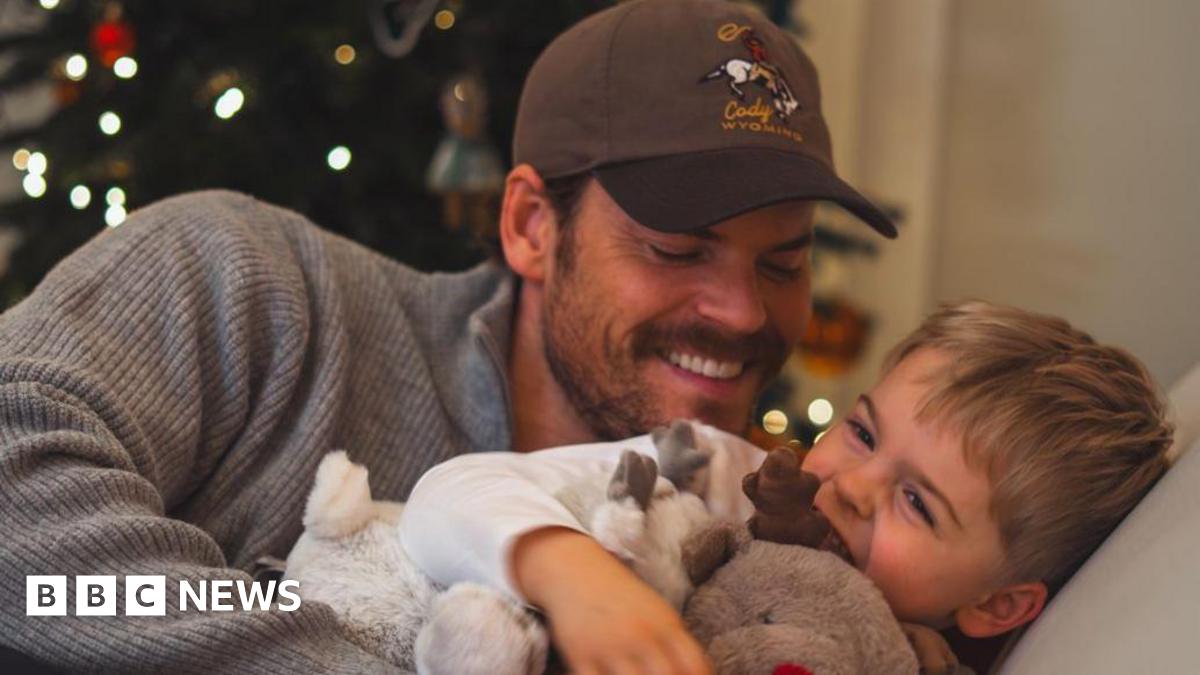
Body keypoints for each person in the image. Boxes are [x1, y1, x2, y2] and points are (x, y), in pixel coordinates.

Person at [0, 0, 895, 672]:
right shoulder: (249, 278)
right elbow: (25, 532)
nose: (743, 313)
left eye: (783, 262)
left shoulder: (750, 530)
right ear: (530, 225)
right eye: (677, 249)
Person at [399, 301, 1174, 674]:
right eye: (863, 432)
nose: (851, 485)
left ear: (999, 604)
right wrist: (578, 579)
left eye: (917, 502)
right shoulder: (711, 470)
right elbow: (444, 495)